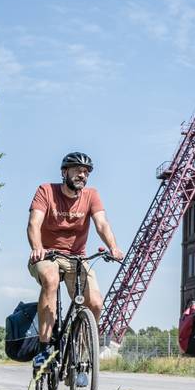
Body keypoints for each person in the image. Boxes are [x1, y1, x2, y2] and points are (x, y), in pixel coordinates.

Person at [27, 151, 125, 375]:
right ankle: (44, 349)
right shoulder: (46, 191)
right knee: (51, 280)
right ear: (64, 172)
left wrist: (113, 247)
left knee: (96, 304)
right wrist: (37, 248)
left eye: (86, 172)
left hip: (77, 258)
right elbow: (34, 223)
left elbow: (102, 224)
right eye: (78, 170)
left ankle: (79, 354)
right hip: (47, 255)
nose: (82, 175)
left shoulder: (91, 195)